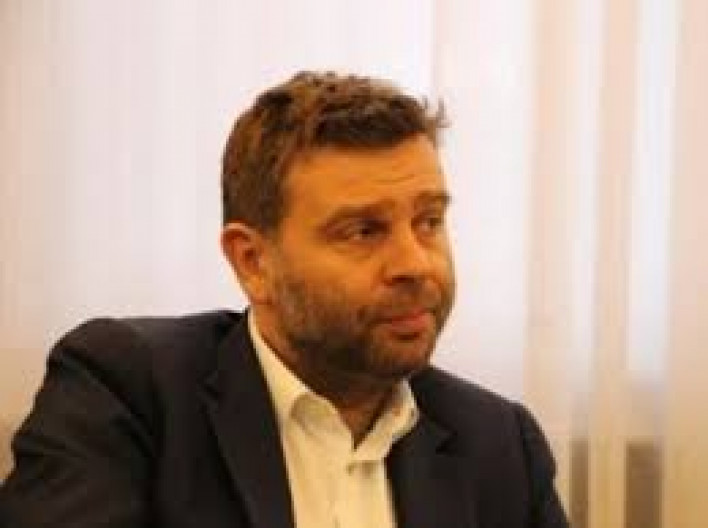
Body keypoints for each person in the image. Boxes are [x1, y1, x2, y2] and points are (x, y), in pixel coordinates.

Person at [0, 71, 569, 528]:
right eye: (363, 231)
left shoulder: (499, 445)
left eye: (429, 221)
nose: (416, 264)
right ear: (253, 262)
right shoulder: (127, 392)